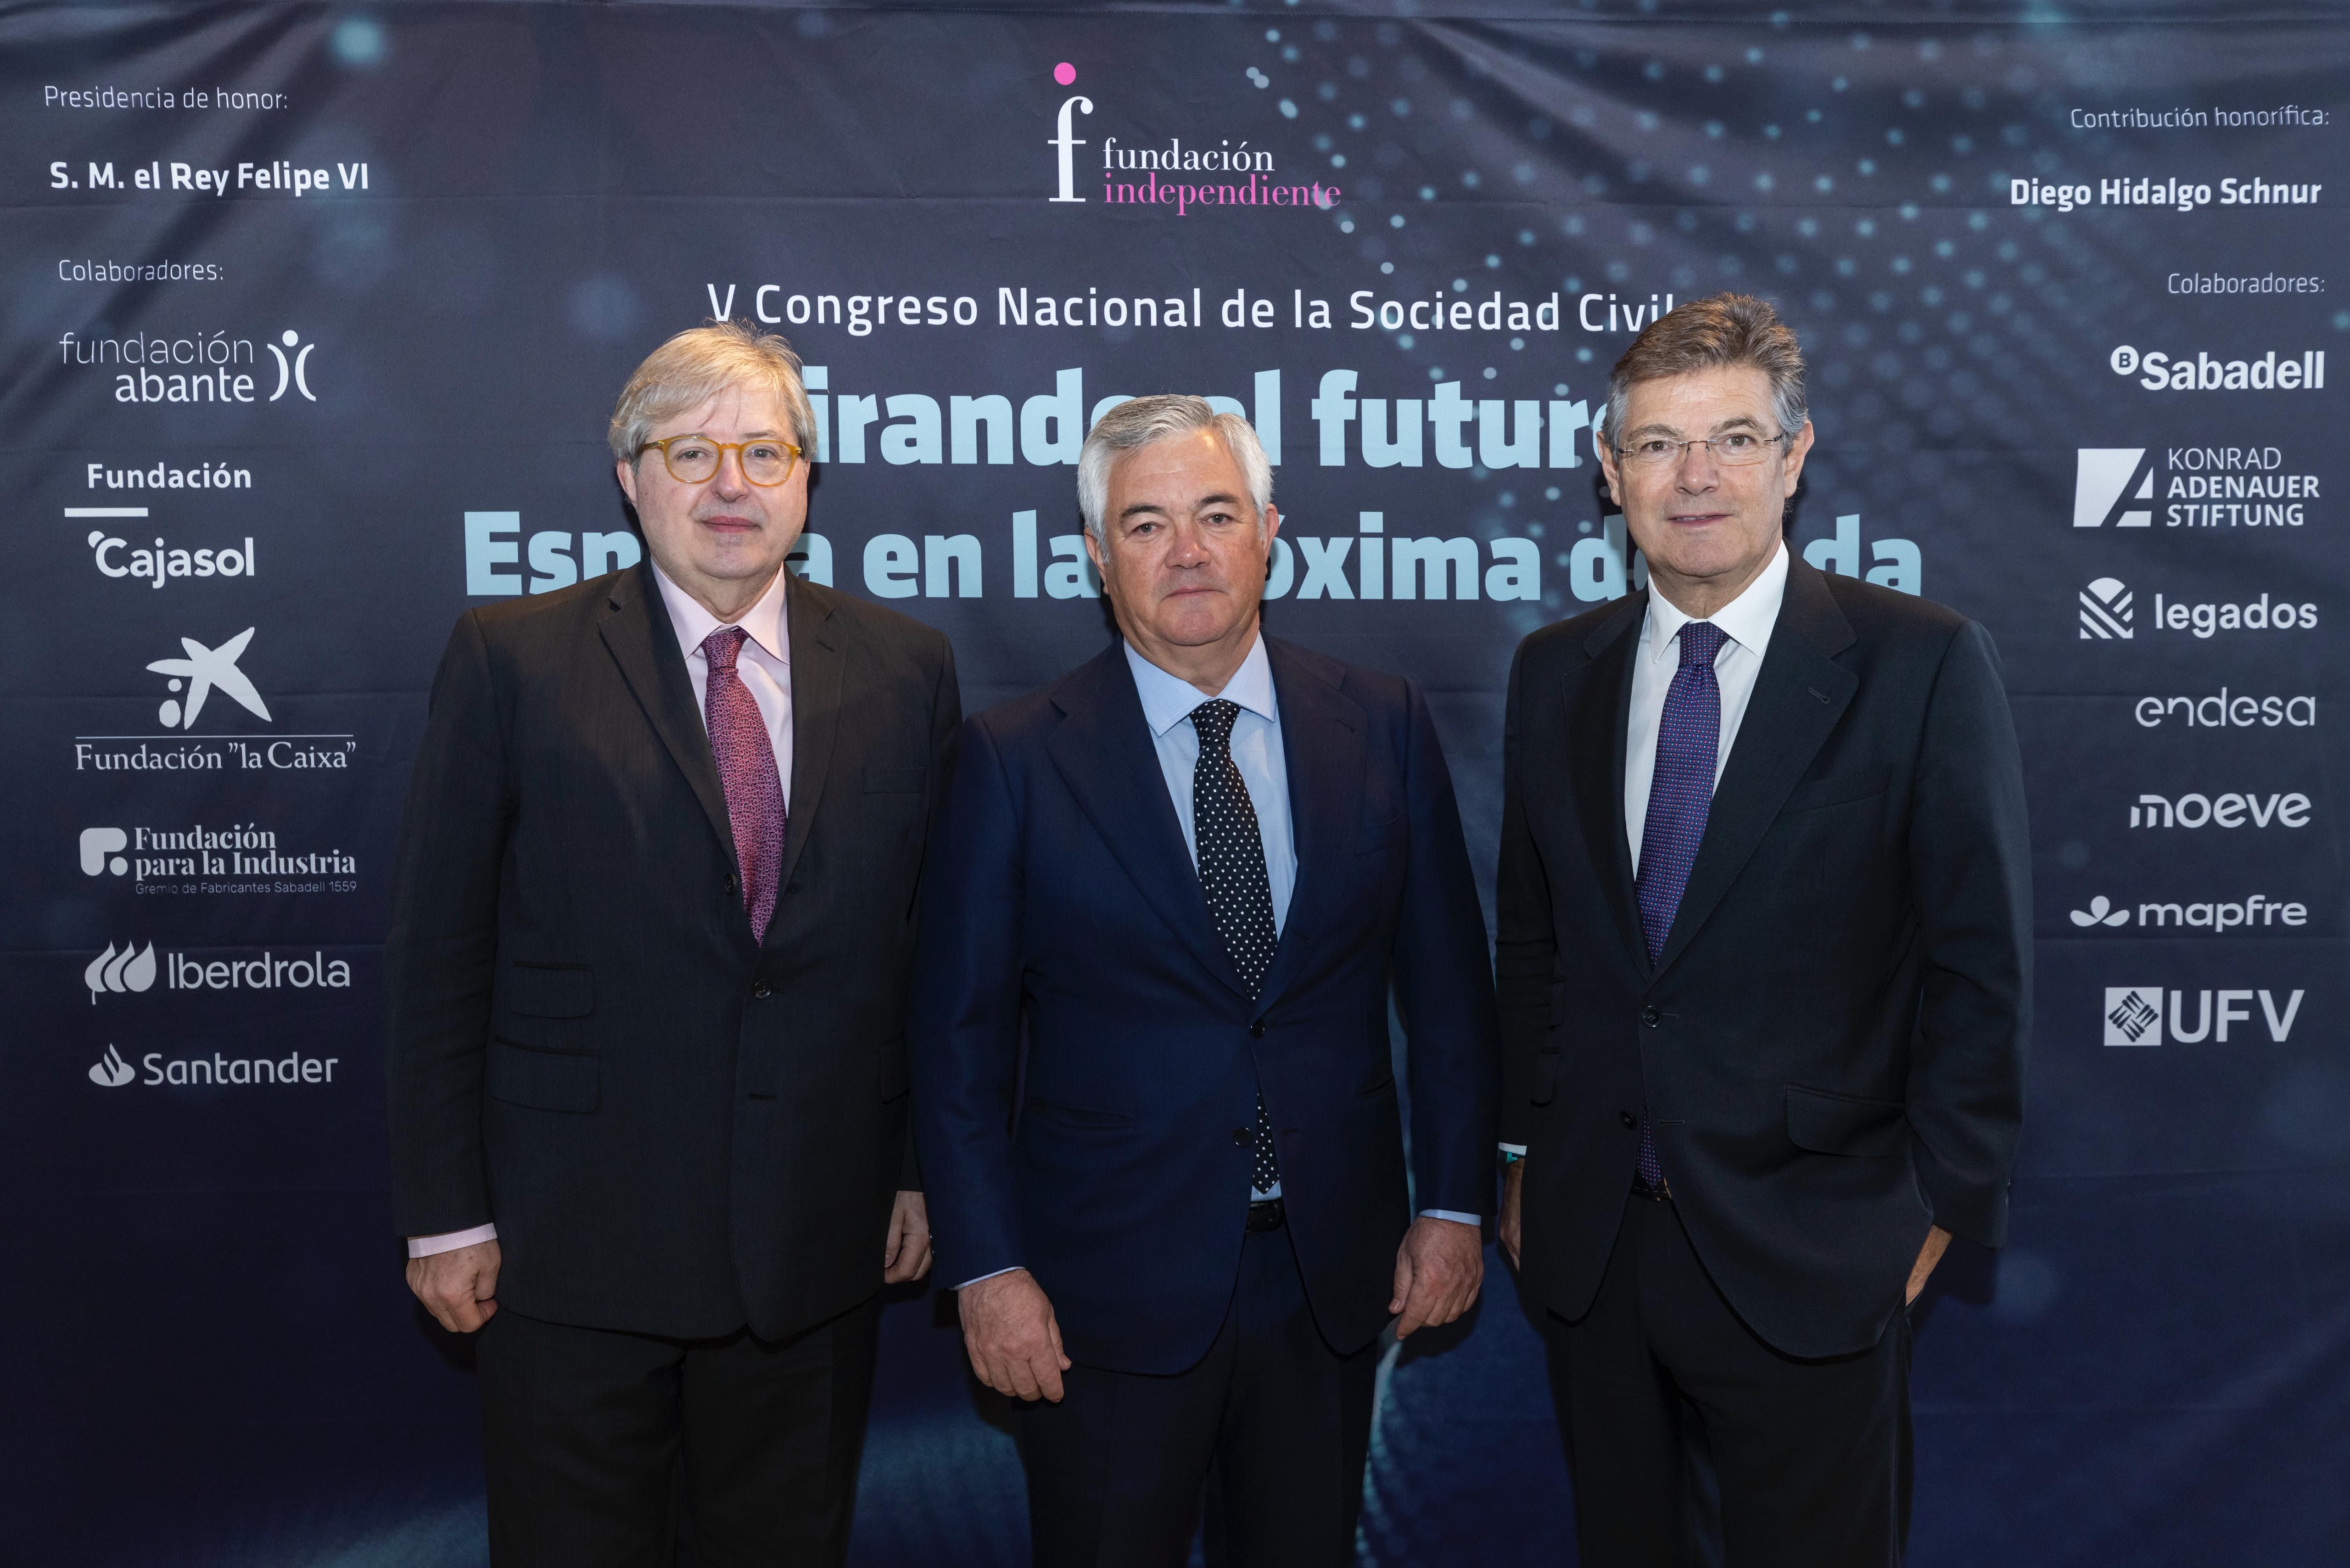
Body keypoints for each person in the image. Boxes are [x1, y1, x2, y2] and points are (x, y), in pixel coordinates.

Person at [385, 321, 958, 1566]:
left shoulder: (907, 669)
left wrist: (917, 1166)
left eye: (764, 452)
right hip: (567, 1249)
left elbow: (926, 951)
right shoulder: (513, 659)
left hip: (816, 1242)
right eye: (691, 453)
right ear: (630, 479)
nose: (730, 485)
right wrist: (443, 1216)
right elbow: (439, 954)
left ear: (807, 479)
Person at [911, 396, 1498, 1568]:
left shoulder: (1382, 723)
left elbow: (1448, 997)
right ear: (1096, 553)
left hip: (1329, 1279)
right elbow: (955, 1041)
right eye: (1146, 523)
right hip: (1099, 1296)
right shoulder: (1014, 757)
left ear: (1269, 531)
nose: (1186, 550)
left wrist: (1452, 1206)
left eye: (1217, 514)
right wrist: (986, 1267)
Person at [1494, 293, 2030, 1567]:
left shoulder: (1919, 664)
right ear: (1610, 472)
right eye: (1658, 445)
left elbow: (1979, 965)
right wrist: (1519, 1163)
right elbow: (1533, 940)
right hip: (1596, 1249)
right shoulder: (1554, 671)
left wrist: (1932, 1209)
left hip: (1817, 1247)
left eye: (1733, 439)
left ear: (1794, 459)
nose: (1696, 477)